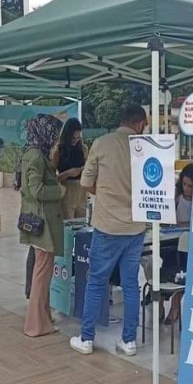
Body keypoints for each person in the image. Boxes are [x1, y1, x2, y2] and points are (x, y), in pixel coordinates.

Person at [70, 105, 148, 356]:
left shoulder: (101, 144)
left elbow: (85, 182)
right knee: (131, 285)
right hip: (136, 228)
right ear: (141, 123)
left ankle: (86, 338)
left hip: (106, 227)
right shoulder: (145, 147)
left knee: (96, 282)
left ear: (122, 120)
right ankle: (129, 341)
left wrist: (103, 194)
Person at [19, 115, 66, 337]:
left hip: (37, 219)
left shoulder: (32, 153)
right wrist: (59, 191)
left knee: (43, 272)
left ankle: (43, 318)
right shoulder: (36, 156)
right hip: (43, 221)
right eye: (54, 134)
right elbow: (36, 189)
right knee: (41, 273)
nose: (56, 138)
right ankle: (36, 324)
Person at [52, 118, 88, 219]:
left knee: (81, 224)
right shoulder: (58, 151)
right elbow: (51, 178)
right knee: (67, 224)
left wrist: (83, 169)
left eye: (78, 137)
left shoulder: (83, 149)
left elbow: (88, 169)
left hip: (82, 191)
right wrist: (68, 173)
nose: (75, 140)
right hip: (66, 191)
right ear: (66, 136)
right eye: (72, 138)